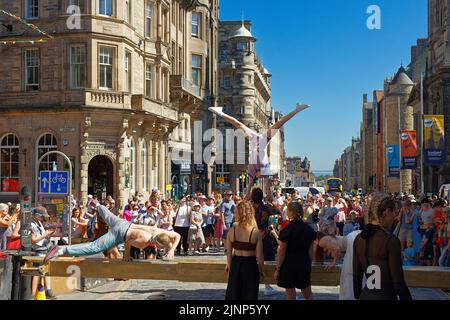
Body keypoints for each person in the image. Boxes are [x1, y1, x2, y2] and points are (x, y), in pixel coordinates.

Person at [209, 103, 310, 198]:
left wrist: (247, 195)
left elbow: (249, 186)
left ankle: (220, 112)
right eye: (259, 175)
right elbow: (266, 184)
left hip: (254, 139)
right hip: (263, 140)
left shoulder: (252, 169)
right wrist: (269, 196)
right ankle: (297, 110)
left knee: (239, 125)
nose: (258, 175)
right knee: (279, 123)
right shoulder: (264, 167)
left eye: (258, 176)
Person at [44, 203, 181, 263]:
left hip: (125, 223)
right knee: (94, 247)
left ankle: (98, 206)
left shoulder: (160, 231)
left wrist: (172, 249)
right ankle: (60, 250)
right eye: (162, 248)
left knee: (108, 215)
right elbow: (128, 242)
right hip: (119, 233)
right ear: (157, 244)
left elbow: (177, 236)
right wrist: (126, 256)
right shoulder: (143, 241)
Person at [353, 194, 412, 300]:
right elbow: (398, 282)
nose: (395, 216)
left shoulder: (359, 238)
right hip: (386, 295)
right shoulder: (390, 240)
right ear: (387, 211)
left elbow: (356, 277)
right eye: (394, 212)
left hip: (366, 295)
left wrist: (358, 296)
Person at [275, 202, 316, 300]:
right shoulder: (309, 230)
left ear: (290, 212)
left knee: (290, 295)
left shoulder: (287, 230)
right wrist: (308, 265)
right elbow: (311, 252)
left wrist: (278, 269)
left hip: (289, 264)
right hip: (303, 263)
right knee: (308, 294)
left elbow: (282, 252)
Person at [225, 200, 265, 300]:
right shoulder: (256, 232)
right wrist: (261, 270)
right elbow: (259, 256)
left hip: (236, 264)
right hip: (250, 265)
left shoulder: (232, 231)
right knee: (249, 295)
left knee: (234, 295)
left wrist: (230, 267)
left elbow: (229, 253)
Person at [251, 187, 281, 296]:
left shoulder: (250, 207)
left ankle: (253, 283)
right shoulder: (266, 208)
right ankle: (267, 285)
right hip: (264, 236)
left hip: (252, 237)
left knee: (253, 260)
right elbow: (279, 212)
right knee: (268, 260)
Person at [30, 207, 56, 299]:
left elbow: (41, 235)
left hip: (45, 249)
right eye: (42, 216)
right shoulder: (31, 224)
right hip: (38, 251)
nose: (43, 218)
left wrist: (48, 234)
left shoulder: (38, 222)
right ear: (37, 215)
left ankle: (48, 290)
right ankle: (32, 295)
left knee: (46, 270)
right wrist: (45, 235)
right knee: (37, 272)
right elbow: (33, 239)